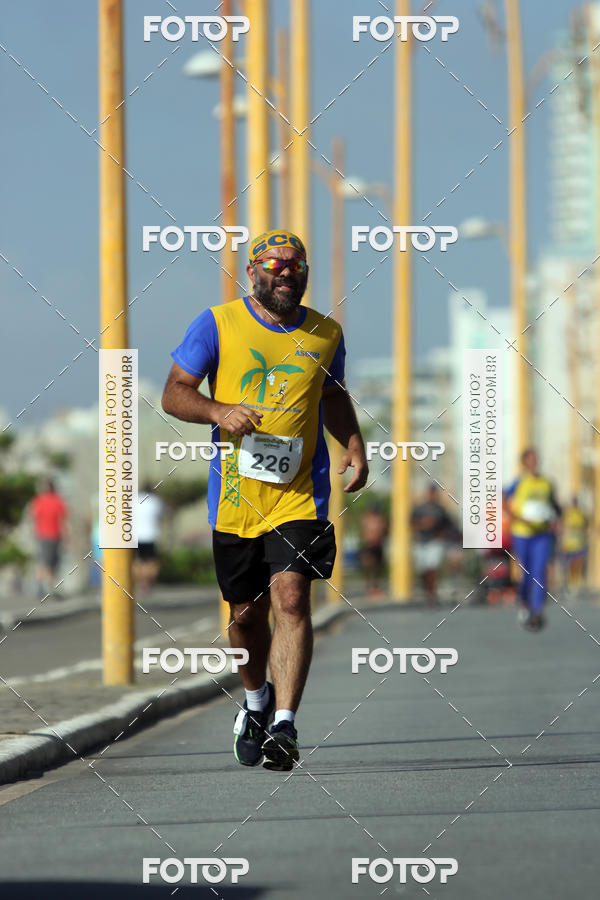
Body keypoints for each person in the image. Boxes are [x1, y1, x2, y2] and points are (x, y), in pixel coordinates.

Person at [161, 229, 368, 771]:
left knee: (293, 599)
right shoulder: (218, 323)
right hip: (235, 496)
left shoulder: (326, 333)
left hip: (300, 495)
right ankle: (255, 702)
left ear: (304, 273)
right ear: (252, 271)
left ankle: (284, 725)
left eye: (294, 266)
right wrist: (218, 411)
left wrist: (352, 443)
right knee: (246, 616)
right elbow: (174, 391)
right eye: (273, 266)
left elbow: (331, 394)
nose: (284, 274)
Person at [505, 448, 561, 632]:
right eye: (530, 459)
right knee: (526, 573)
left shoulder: (547, 483)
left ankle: (536, 611)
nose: (534, 462)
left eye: (536, 459)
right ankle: (525, 602)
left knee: (539, 571)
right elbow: (504, 501)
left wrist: (555, 520)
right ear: (524, 462)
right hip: (522, 533)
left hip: (541, 534)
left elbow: (555, 506)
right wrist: (517, 518)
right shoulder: (519, 482)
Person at [410, 483, 453, 606]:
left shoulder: (441, 509)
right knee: (423, 570)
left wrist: (441, 534)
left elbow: (449, 525)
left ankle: (432, 595)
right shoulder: (419, 508)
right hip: (421, 542)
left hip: (435, 543)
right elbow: (411, 522)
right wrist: (423, 524)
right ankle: (427, 592)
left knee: (432, 568)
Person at [30, 478, 68, 599]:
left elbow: (33, 517)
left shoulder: (38, 501)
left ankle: (44, 587)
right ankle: (47, 588)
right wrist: (67, 537)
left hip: (41, 535)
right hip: (53, 536)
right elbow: (62, 521)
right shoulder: (58, 501)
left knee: (45, 561)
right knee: (50, 563)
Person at [133, 483, 164, 594]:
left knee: (139, 561)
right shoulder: (156, 501)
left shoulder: (135, 500)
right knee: (151, 561)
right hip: (151, 535)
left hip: (137, 535)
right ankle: (148, 581)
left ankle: (142, 582)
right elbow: (161, 516)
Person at [559, 496, 588, 594]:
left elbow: (586, 525)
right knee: (569, 566)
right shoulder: (568, 514)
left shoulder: (581, 514)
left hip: (579, 544)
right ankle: (568, 584)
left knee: (577, 565)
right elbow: (563, 527)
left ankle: (575, 585)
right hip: (568, 545)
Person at [359, 502, 388, 599]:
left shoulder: (381, 519)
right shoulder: (366, 519)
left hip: (378, 545)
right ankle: (369, 588)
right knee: (369, 566)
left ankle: (375, 587)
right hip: (369, 545)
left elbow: (385, 531)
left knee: (378, 568)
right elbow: (364, 532)